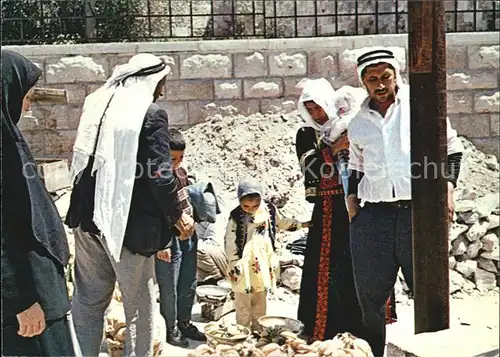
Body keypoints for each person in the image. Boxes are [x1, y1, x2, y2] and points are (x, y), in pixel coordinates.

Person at [65, 54, 194, 356]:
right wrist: (178, 216)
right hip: (125, 227)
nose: (162, 89)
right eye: (161, 82)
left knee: (87, 303)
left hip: (87, 221)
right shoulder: (150, 114)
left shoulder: (97, 105)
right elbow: (161, 176)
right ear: (149, 81)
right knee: (139, 308)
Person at [346, 48, 464, 356]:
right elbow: (355, 167)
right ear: (363, 83)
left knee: (429, 295)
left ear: (397, 76)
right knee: (369, 298)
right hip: (374, 219)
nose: (380, 84)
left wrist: (448, 188)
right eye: (372, 79)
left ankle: (434, 352)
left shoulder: (420, 106)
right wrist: (352, 203)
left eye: (386, 76)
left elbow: (451, 149)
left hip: (418, 214)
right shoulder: (358, 122)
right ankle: (373, 352)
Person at [1, 50, 75, 356]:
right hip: (27, 301)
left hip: (40, 291)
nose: (28, 104)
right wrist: (21, 300)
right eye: (26, 96)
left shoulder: (9, 137)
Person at [295, 78, 363, 343]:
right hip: (327, 211)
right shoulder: (306, 134)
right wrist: (334, 147)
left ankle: (356, 328)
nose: (315, 114)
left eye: (318, 108)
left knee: (355, 265)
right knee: (325, 269)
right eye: (309, 109)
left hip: (356, 205)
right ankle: (322, 327)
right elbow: (312, 169)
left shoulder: (352, 125)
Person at [225, 176, 309, 333]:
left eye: (255, 205)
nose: (251, 209)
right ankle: (241, 332)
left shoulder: (269, 210)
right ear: (239, 201)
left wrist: (301, 224)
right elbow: (230, 241)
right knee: (242, 301)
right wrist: (234, 261)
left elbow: (281, 223)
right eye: (246, 206)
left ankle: (258, 330)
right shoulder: (236, 216)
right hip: (243, 263)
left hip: (262, 262)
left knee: (260, 298)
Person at [155, 128, 206, 347]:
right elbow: (155, 213)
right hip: (168, 238)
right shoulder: (155, 177)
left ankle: (185, 321)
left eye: (181, 158)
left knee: (188, 280)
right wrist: (160, 244)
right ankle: (171, 327)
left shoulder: (182, 173)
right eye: (173, 158)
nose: (177, 162)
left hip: (188, 235)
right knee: (169, 286)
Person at [196, 215, 229, 286]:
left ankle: (217, 279)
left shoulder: (219, 219)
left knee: (197, 249)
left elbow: (214, 243)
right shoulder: (200, 222)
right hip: (215, 253)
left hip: (227, 260)